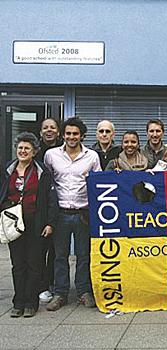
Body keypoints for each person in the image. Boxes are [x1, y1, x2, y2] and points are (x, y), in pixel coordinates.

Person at [44, 117, 101, 311]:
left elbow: (98, 184)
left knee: (83, 255)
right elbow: (48, 182)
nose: (71, 137)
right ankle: (60, 293)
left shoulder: (92, 156)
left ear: (82, 135)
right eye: (68, 133)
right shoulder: (51, 155)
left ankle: (84, 292)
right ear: (62, 134)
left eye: (75, 133)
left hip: (83, 213)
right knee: (60, 256)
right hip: (60, 213)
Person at [0, 132, 58, 317]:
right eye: (20, 148)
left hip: (35, 222)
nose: (23, 151)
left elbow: (51, 199)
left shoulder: (42, 171)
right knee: (18, 264)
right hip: (14, 222)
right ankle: (18, 302)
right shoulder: (8, 170)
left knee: (34, 264)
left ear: (34, 152)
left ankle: (31, 303)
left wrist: (50, 223)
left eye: (27, 148)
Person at [35, 118, 62, 304]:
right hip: (39, 207)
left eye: (53, 127)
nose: (49, 130)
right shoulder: (34, 152)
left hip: (59, 205)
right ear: (41, 132)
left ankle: (52, 284)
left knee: (55, 250)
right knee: (38, 249)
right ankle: (40, 285)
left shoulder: (62, 151)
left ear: (58, 132)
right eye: (46, 128)